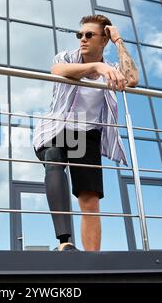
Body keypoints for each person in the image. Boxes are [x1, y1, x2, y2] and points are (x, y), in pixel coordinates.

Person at [33, 14, 139, 251]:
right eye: (79, 34)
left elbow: (132, 79)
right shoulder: (67, 57)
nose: (82, 39)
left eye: (89, 35)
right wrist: (96, 66)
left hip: (88, 134)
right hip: (58, 127)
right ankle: (65, 243)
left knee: (90, 200)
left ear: (104, 40)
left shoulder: (111, 70)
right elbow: (58, 70)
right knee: (54, 158)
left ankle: (92, 258)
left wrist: (119, 41)